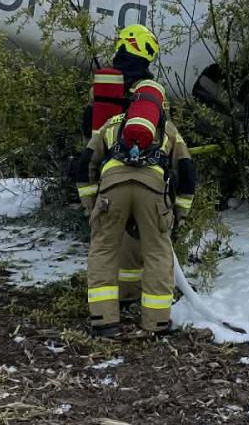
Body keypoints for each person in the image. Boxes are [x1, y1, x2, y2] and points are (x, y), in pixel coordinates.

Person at [72, 24, 196, 336]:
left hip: (109, 184)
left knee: (105, 247)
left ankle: (105, 319)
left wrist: (90, 206)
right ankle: (156, 321)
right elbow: (187, 168)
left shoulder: (108, 112)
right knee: (156, 250)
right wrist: (179, 211)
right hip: (152, 188)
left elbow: (83, 162)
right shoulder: (164, 125)